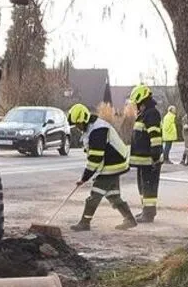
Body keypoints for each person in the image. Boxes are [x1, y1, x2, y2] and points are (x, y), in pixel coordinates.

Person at [66, 103, 138, 231]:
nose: (77, 127)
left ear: (84, 120)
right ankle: (130, 219)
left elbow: (95, 159)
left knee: (95, 194)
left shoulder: (98, 130)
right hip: (114, 163)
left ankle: (85, 223)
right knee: (113, 195)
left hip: (112, 164)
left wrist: (84, 178)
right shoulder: (92, 128)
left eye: (78, 124)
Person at [128, 84, 163, 223]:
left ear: (142, 101)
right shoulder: (145, 114)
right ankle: (145, 211)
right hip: (143, 160)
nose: (136, 106)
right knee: (143, 186)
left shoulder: (151, 113)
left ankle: (148, 214)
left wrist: (155, 156)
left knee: (149, 187)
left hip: (150, 160)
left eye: (137, 103)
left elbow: (155, 136)